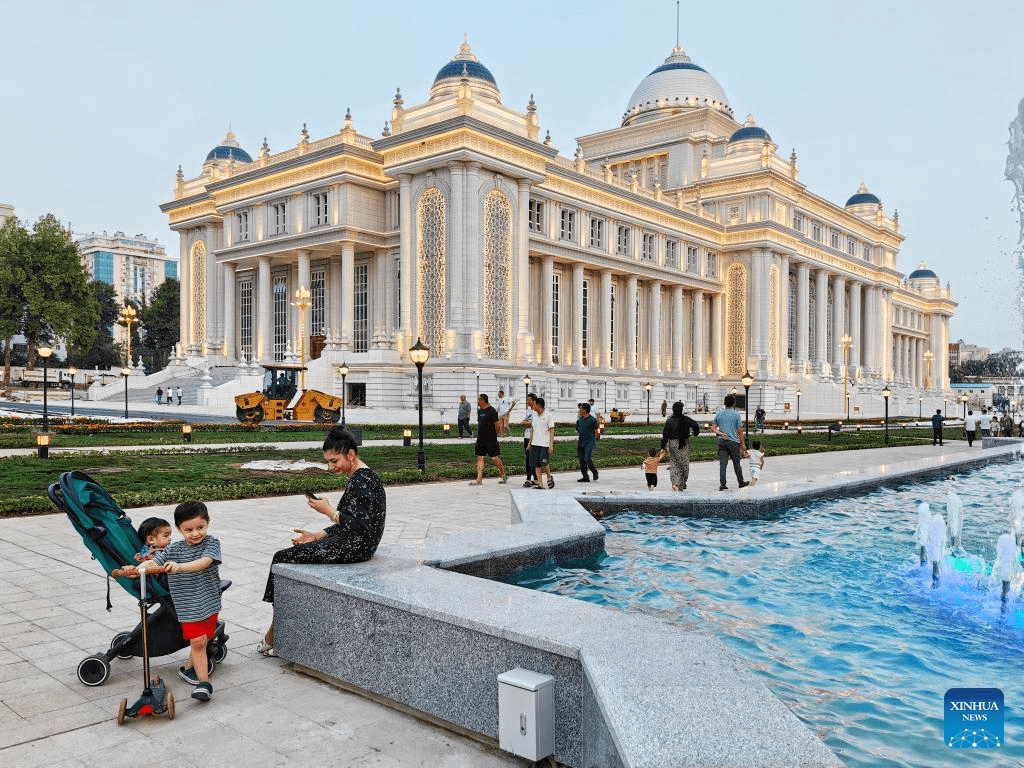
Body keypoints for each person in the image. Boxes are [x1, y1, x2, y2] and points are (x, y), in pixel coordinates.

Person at [259, 427, 386, 657]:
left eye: (334, 461)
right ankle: (279, 626)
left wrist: (329, 511)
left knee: (282, 557)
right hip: (352, 542)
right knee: (290, 556)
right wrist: (319, 535)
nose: (331, 467)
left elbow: (359, 528)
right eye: (327, 462)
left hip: (356, 547)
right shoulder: (363, 476)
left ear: (350, 454)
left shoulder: (362, 480)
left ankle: (277, 629)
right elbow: (350, 521)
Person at [133, 501, 223, 702]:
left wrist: (180, 567)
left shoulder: (212, 543)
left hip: (209, 601)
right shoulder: (173, 550)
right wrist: (136, 569)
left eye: (200, 527)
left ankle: (188, 669)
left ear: (208, 523)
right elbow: (153, 562)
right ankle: (204, 684)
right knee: (198, 642)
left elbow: (204, 562)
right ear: (179, 529)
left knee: (204, 638)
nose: (195, 533)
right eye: (188, 529)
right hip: (189, 606)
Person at [660, 401, 701, 491]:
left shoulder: (670, 420)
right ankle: (682, 482)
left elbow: (665, 434)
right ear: (681, 409)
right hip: (684, 443)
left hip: (673, 443)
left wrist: (663, 446)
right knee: (684, 464)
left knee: (674, 463)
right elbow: (695, 425)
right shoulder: (686, 419)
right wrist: (695, 434)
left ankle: (675, 483)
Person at [711, 394, 749, 491]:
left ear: (724, 403)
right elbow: (740, 432)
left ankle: (722, 484)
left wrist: (721, 433)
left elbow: (713, 428)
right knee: (737, 463)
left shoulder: (719, 414)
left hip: (721, 441)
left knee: (723, 464)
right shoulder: (736, 414)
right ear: (733, 403)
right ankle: (741, 482)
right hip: (733, 442)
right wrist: (743, 445)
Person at [469, 394, 507, 485]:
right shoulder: (479, 411)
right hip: (481, 438)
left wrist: (494, 435)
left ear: (483, 400)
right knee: (480, 457)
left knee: (494, 458)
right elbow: (480, 423)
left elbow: (497, 425)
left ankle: (503, 473)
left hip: (491, 438)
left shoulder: (492, 411)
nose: (477, 402)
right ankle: (479, 479)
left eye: (478, 400)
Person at [527, 396, 555, 489]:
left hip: (545, 444)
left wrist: (551, 444)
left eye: (534, 404)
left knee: (544, 463)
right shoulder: (534, 415)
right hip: (535, 444)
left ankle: (549, 477)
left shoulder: (548, 416)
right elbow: (532, 430)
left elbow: (552, 430)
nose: (532, 406)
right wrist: (529, 443)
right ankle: (540, 483)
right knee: (536, 464)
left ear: (539, 406)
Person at [575, 402, 599, 483]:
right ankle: (585, 477)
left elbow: (596, 430)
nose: (579, 410)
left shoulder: (592, 420)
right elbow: (578, 428)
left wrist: (595, 438)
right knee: (581, 460)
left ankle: (594, 472)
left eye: (581, 408)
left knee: (587, 459)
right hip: (581, 442)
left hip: (589, 442)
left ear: (585, 410)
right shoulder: (580, 419)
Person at [521, 393, 537, 487]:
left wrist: (527, 423)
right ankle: (528, 478)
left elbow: (534, 423)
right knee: (527, 457)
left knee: (533, 458)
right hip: (526, 436)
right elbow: (525, 421)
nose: (528, 401)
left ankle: (535, 478)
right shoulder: (528, 409)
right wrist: (525, 422)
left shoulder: (536, 410)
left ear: (534, 400)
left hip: (534, 437)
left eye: (529, 400)